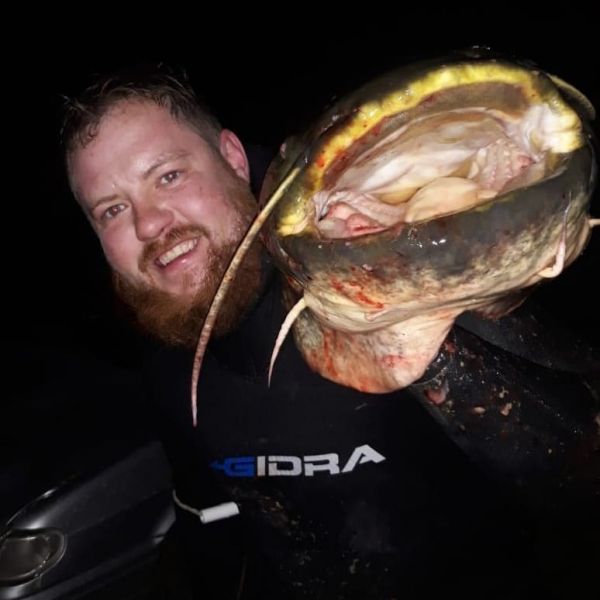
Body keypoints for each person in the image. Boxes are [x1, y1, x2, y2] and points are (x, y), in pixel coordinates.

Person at [61, 64, 599, 599]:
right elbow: (210, 522)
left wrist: (425, 322)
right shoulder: (164, 350)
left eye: (169, 176)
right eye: (112, 210)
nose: (149, 223)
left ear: (233, 157)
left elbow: (580, 484)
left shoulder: (365, 248)